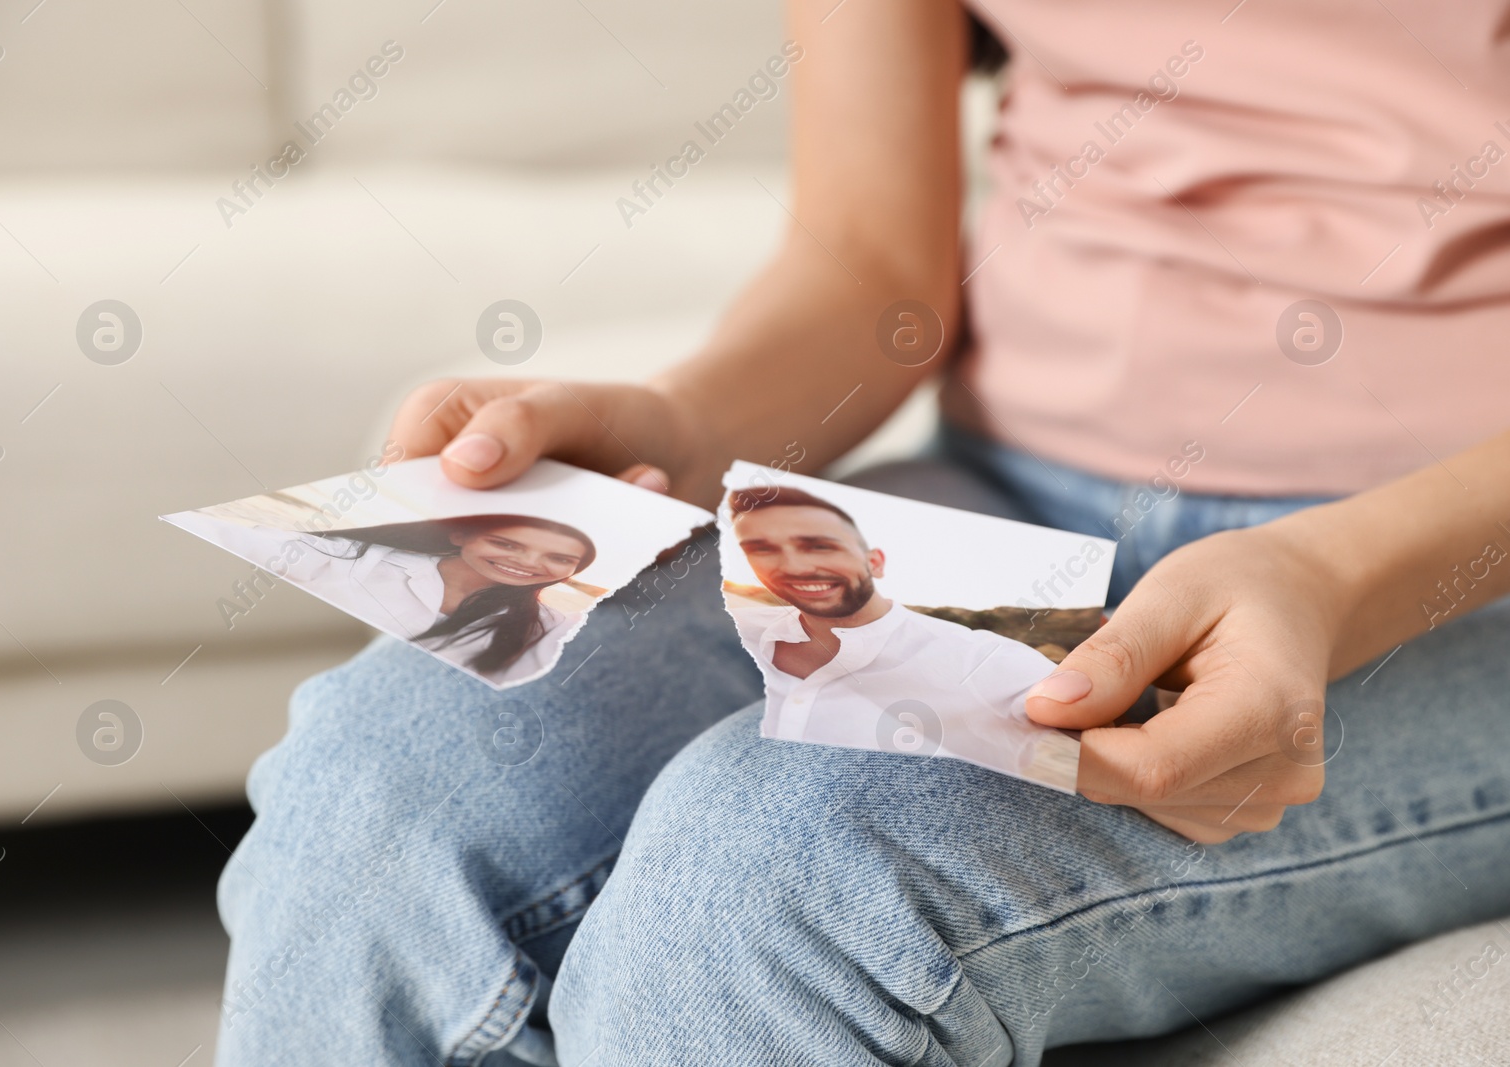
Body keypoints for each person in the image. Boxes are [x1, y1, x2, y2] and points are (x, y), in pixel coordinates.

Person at [213, 2, 1510, 1064]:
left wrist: (1332, 573)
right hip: (1018, 494)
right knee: (380, 781)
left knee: (775, 880)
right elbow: (867, 259)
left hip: (1453, 566)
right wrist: (681, 418)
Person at [724, 483, 1075, 789]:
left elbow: (1081, 759)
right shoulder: (754, 629)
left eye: (819, 546)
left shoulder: (983, 660)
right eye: (762, 549)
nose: (793, 568)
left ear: (874, 562)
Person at [185, 512, 594, 686]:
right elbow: (237, 534)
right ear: (460, 534)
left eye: (559, 558)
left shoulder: (556, 628)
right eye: (506, 544)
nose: (529, 564)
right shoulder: (359, 558)